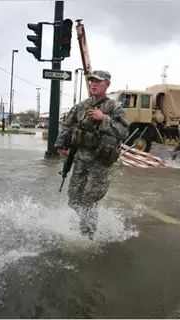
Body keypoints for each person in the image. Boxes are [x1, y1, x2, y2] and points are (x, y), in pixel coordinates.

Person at [54, 70, 128, 239]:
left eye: (98, 82)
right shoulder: (82, 106)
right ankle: (84, 224)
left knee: (89, 199)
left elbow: (124, 132)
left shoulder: (114, 107)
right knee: (73, 198)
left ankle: (88, 236)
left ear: (107, 85)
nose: (93, 84)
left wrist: (104, 119)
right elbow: (67, 125)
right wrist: (59, 145)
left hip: (100, 161)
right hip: (80, 158)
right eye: (91, 81)